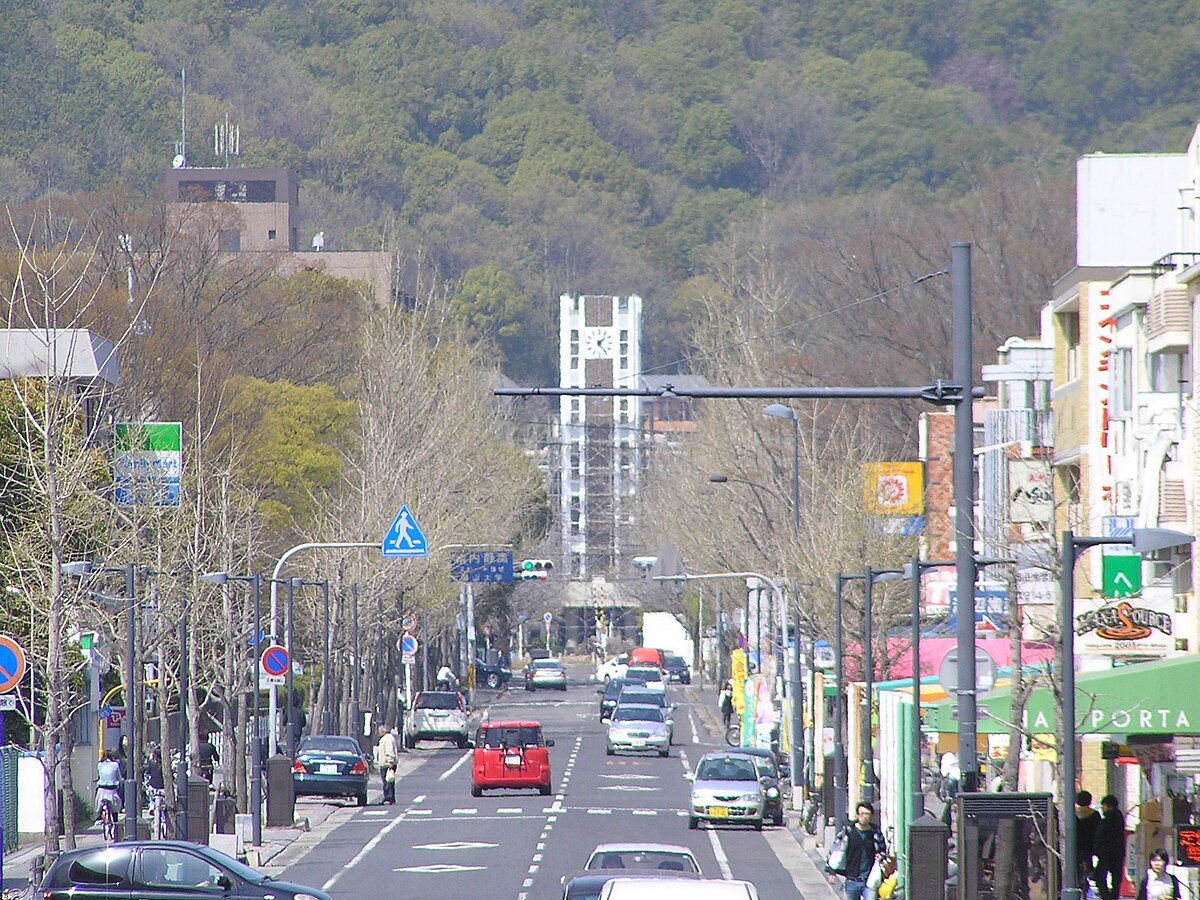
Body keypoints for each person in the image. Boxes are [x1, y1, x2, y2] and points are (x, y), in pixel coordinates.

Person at [826, 801, 888, 900]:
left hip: (870, 879)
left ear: (871, 815)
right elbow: (836, 850)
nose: (864, 817)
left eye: (867, 814)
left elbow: (883, 850)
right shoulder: (848, 831)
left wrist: (880, 856)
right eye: (861, 814)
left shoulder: (875, 832)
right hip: (852, 879)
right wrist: (831, 871)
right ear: (857, 815)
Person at [1095, 794, 1128, 900]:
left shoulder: (1105, 821)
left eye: (1103, 805)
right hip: (1118, 854)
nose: (1102, 808)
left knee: (1099, 876)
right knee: (1116, 879)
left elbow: (1099, 837)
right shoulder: (1120, 819)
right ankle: (1114, 897)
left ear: (1109, 806)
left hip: (1105, 854)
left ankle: (1106, 897)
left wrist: (1097, 850)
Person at [1076, 790, 1101, 887]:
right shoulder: (1094, 814)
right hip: (1090, 844)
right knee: (1088, 860)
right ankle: (1090, 872)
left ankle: (1079, 881)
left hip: (1076, 844)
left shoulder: (1071, 813)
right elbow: (1098, 830)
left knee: (1076, 863)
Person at [374, 725, 399, 804]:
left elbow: (389, 751)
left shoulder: (387, 739)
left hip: (387, 764)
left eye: (379, 731)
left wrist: (390, 762)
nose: (378, 733)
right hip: (386, 764)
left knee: (387, 782)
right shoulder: (387, 738)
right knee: (389, 781)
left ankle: (388, 797)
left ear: (383, 731)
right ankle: (389, 797)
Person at [96, 749, 124, 817]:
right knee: (120, 792)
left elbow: (99, 776)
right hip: (112, 790)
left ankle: (98, 815)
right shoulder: (115, 765)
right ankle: (120, 810)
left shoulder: (99, 765)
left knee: (97, 792)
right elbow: (119, 778)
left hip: (102, 789)